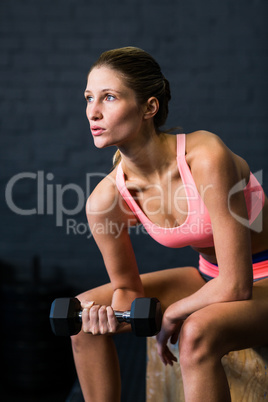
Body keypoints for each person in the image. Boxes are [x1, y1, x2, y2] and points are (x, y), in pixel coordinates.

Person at [71, 46, 268, 402]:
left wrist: (171, 316)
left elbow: (237, 286)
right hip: (208, 275)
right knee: (80, 316)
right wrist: (111, 315)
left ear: (149, 107)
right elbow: (127, 289)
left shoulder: (205, 156)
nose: (93, 112)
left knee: (195, 332)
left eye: (109, 97)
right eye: (88, 98)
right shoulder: (105, 201)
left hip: (258, 279)